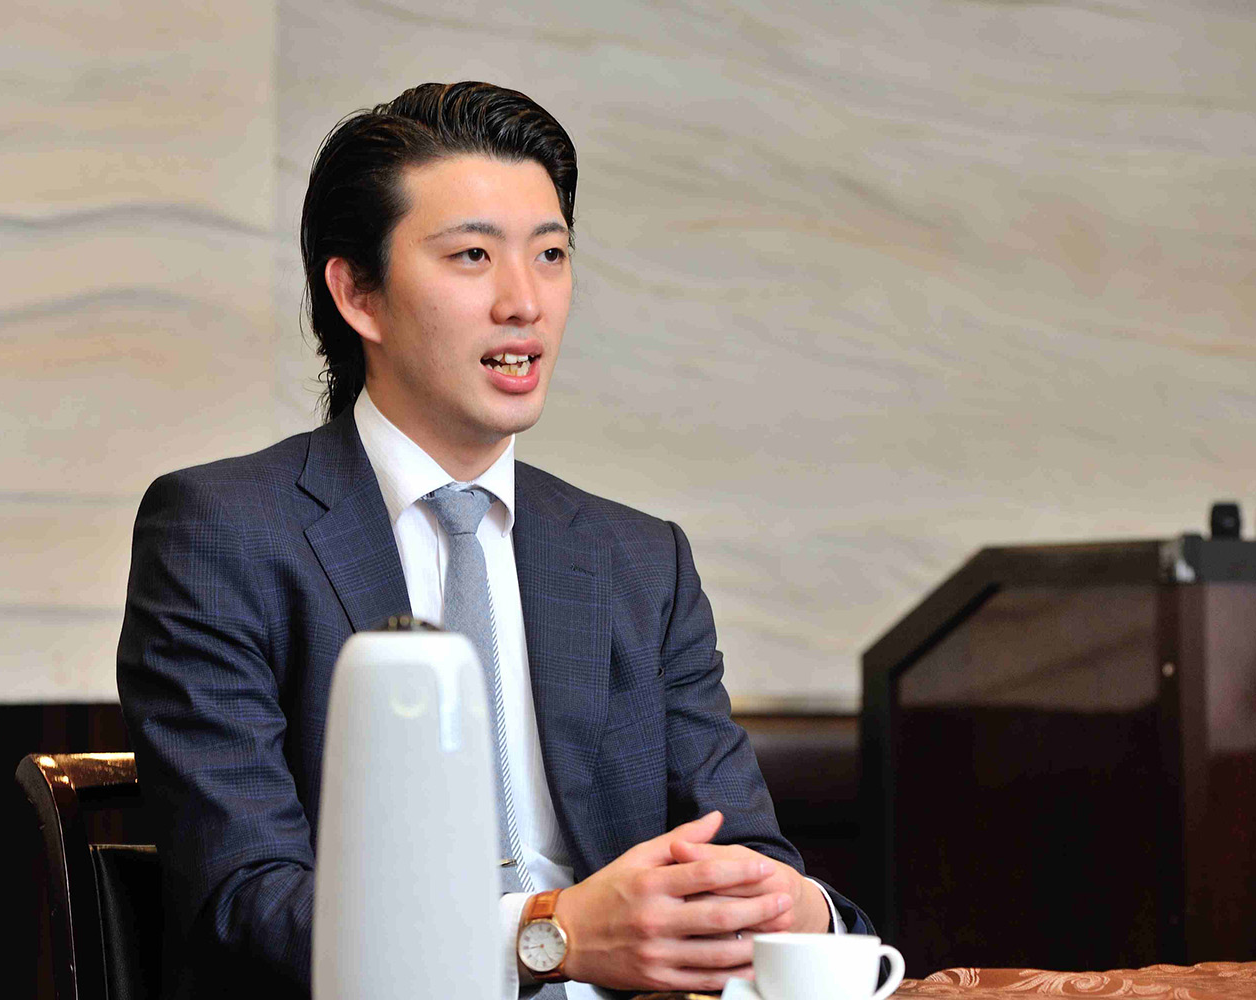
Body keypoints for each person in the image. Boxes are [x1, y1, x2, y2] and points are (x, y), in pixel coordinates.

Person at [117, 81, 872, 1000]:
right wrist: (550, 935)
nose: (525, 302)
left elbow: (751, 860)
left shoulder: (639, 562)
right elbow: (245, 905)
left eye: (551, 255)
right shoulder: (224, 532)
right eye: (473, 255)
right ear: (358, 294)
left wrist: (796, 910)